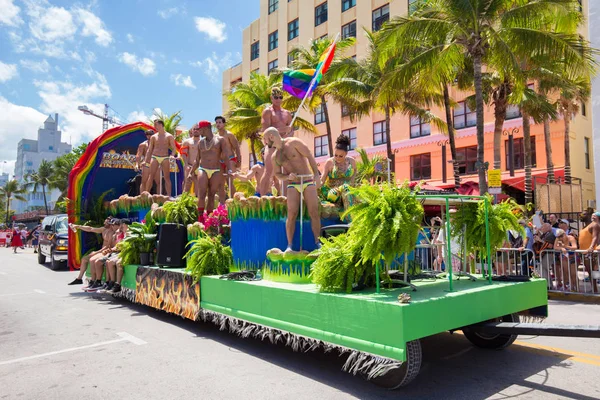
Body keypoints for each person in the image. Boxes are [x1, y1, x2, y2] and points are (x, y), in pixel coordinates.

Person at [263, 127, 321, 251]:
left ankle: (318, 242)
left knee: (313, 211)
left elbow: (309, 155)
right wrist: (287, 176)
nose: (265, 143)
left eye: (265, 139)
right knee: (292, 213)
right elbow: (278, 174)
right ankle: (289, 245)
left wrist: (316, 175)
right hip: (293, 184)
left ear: (272, 137)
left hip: (307, 180)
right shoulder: (275, 156)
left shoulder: (294, 142)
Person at [190, 120, 235, 218]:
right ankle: (200, 218)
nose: (198, 131)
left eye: (199, 129)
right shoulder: (201, 143)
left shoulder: (220, 140)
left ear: (205, 129)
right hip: (203, 169)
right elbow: (197, 160)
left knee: (211, 195)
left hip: (216, 170)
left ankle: (209, 219)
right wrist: (191, 172)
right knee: (201, 193)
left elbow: (226, 156)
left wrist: (229, 170)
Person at [258, 87, 294, 197]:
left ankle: (287, 199)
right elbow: (265, 131)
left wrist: (287, 137)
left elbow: (292, 131)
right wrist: (283, 130)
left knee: (288, 173)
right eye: (276, 97)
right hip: (272, 145)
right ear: (271, 98)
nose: (278, 99)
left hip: (284, 145)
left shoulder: (287, 113)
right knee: (268, 172)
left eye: (280, 97)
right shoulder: (268, 112)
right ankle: (262, 199)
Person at [67, 217, 114, 285]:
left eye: (106, 222)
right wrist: (78, 226)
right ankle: (79, 278)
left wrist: (97, 252)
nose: (104, 223)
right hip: (101, 250)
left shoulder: (112, 232)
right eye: (105, 222)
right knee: (84, 259)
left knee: (92, 259)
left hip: (106, 251)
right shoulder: (103, 229)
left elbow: (108, 246)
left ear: (110, 223)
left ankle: (94, 281)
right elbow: (90, 229)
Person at [320, 134, 357, 210]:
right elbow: (322, 180)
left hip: (348, 191)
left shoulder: (352, 161)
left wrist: (352, 182)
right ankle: (350, 218)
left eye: (341, 156)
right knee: (346, 187)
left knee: (350, 190)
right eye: (335, 155)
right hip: (332, 193)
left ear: (346, 154)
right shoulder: (329, 162)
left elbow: (355, 171)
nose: (337, 158)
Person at [143, 119, 179, 195]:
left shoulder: (169, 136)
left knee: (167, 178)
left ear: (161, 125)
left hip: (165, 157)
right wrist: (146, 160)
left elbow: (174, 149)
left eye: (156, 124)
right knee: (151, 176)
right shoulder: (153, 137)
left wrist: (172, 155)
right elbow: (149, 150)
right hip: (155, 157)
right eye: (154, 124)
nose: (154, 126)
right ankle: (146, 195)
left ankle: (168, 196)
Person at [215, 116, 242, 198]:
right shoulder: (215, 136)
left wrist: (239, 160)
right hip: (221, 161)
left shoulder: (229, 134)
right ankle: (222, 203)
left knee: (229, 180)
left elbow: (236, 147)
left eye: (220, 122)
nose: (218, 124)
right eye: (216, 123)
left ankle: (235, 200)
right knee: (220, 182)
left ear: (224, 124)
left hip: (230, 159)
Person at [136, 129, 160, 194]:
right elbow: (138, 155)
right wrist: (137, 164)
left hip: (156, 164)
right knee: (144, 181)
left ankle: (159, 197)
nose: (149, 136)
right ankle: (143, 197)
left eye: (150, 134)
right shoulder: (143, 144)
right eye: (147, 134)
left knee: (158, 182)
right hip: (147, 164)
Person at [181, 123, 202, 194]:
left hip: (200, 167)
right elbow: (183, 154)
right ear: (192, 131)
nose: (196, 130)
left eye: (197, 129)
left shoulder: (203, 142)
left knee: (198, 184)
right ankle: (183, 199)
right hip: (189, 165)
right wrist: (186, 165)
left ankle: (197, 201)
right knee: (187, 183)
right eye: (194, 129)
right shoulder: (187, 141)